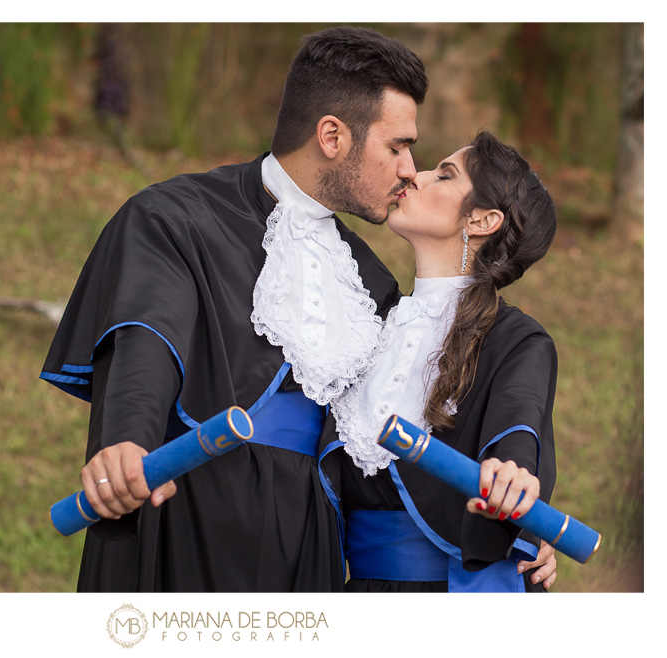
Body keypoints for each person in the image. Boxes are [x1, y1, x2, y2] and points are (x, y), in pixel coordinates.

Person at [41, 26, 556, 592]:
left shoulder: (373, 287)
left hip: (311, 553)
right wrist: (126, 443)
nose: (411, 169)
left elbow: (493, 409)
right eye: (398, 147)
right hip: (187, 518)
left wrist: (527, 532)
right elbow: (146, 336)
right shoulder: (176, 218)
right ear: (332, 136)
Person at [321, 129, 559, 592]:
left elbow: (517, 424)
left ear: (482, 219)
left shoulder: (517, 340)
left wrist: (513, 476)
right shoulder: (369, 319)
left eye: (444, 175)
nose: (415, 175)